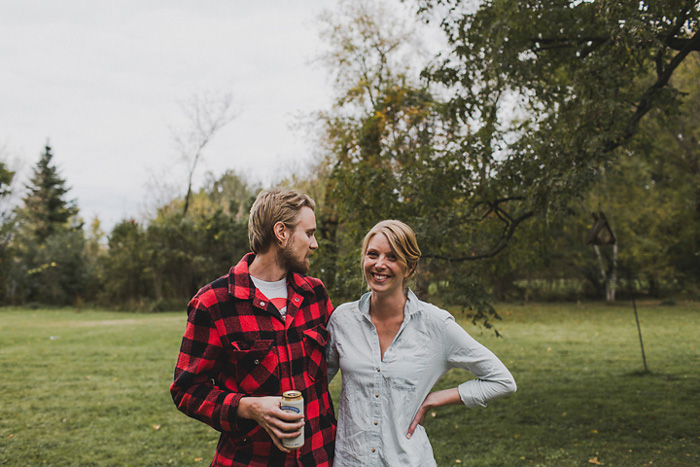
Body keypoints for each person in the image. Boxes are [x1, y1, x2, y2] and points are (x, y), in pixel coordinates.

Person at [326, 220, 517, 466]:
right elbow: (313, 385)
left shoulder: (435, 325)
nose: (379, 264)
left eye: (392, 257)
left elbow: (502, 381)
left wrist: (436, 398)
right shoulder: (342, 320)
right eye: (372, 254)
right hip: (350, 460)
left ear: (409, 268)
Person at [170, 189, 336, 467]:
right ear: (281, 232)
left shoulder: (315, 294)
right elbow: (186, 390)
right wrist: (248, 407)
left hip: (318, 458)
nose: (315, 244)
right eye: (309, 233)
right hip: (250, 460)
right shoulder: (214, 303)